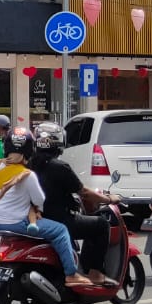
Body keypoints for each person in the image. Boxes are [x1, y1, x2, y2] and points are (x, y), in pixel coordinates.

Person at [0, 128, 86, 287]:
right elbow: (39, 199)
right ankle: (71, 274)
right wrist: (37, 209)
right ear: (30, 149)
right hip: (16, 222)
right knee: (60, 231)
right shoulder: (27, 174)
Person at [28, 121, 116, 284]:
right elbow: (83, 192)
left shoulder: (29, 165)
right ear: (59, 142)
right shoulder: (60, 167)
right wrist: (109, 199)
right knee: (101, 225)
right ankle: (95, 273)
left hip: (37, 219)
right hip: (61, 220)